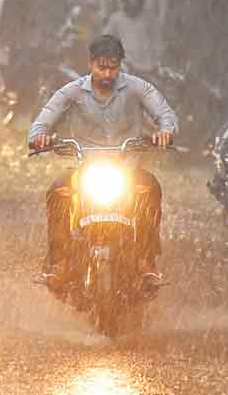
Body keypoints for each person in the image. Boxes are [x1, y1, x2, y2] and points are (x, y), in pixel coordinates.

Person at [28, 35, 177, 287]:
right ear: (90, 64)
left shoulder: (138, 88)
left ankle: (145, 260)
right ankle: (60, 262)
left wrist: (165, 132)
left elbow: (165, 114)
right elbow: (42, 121)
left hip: (127, 170)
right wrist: (40, 137)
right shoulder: (72, 91)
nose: (108, 73)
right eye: (102, 67)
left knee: (151, 188)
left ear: (120, 65)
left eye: (113, 67)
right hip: (85, 170)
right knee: (57, 191)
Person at [102, 0, 158, 75]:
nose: (127, 4)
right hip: (125, 67)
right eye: (124, 0)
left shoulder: (149, 19)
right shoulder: (116, 19)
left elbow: (156, 43)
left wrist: (153, 64)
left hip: (147, 68)